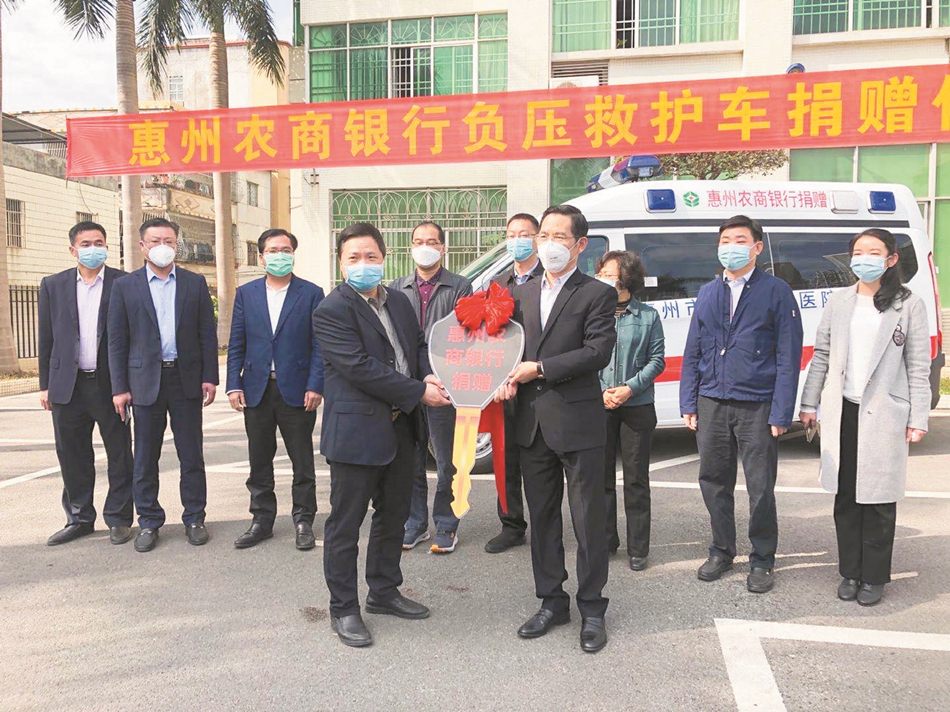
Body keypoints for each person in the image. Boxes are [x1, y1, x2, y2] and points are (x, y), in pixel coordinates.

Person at [313, 222, 451, 648]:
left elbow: (416, 346)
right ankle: (344, 608)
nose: (363, 264)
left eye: (371, 256)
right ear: (341, 264)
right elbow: (359, 368)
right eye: (353, 257)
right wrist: (418, 392)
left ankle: (384, 591)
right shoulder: (331, 310)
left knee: (393, 517)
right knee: (345, 525)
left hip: (401, 428)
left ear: (384, 258)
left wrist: (427, 373)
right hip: (356, 433)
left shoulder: (399, 301)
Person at [498, 204, 616, 654]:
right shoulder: (520, 293)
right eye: (543, 235)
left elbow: (597, 351)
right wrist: (501, 377)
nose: (548, 244)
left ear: (580, 244)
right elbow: (506, 349)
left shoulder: (596, 294)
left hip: (578, 423)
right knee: (543, 519)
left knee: (588, 520)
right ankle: (552, 601)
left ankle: (592, 608)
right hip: (531, 424)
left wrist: (541, 368)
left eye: (559, 237)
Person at [800, 228, 930, 606]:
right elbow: (822, 355)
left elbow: (918, 365)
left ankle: (874, 577)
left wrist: (918, 416)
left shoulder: (909, 304)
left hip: (885, 412)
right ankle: (850, 572)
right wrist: (809, 404)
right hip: (843, 409)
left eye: (874, 252)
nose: (864, 259)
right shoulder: (840, 301)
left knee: (878, 499)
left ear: (891, 259)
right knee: (846, 497)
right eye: (858, 252)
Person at [680, 215, 803, 594]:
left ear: (757, 247)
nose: (731, 247)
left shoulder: (776, 291)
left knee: (760, 486)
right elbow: (693, 349)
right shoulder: (708, 292)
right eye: (725, 241)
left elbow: (788, 354)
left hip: (756, 404)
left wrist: (781, 411)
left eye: (739, 240)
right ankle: (721, 550)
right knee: (713, 481)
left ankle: (762, 558)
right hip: (712, 400)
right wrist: (689, 402)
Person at [108, 218, 218, 553]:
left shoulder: (194, 283)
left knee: (191, 455)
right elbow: (117, 341)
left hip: (185, 379)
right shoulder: (125, 287)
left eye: (169, 241)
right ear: (142, 246)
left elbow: (206, 333)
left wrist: (210, 376)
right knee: (145, 457)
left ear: (176, 245)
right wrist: (119, 387)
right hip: (144, 382)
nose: (163, 247)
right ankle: (149, 521)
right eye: (155, 241)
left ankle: (195, 517)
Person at [226, 228, 325, 551]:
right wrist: (233, 384)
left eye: (285, 250)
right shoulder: (247, 293)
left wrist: (315, 385)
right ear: (261, 256)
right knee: (259, 459)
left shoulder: (311, 293)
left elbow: (319, 346)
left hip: (297, 390)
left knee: (302, 460)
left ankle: (303, 520)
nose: (279, 255)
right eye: (272, 250)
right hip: (256, 389)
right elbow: (237, 342)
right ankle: (261, 520)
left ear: (293, 255)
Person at [38, 221, 134, 546]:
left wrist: (126, 384)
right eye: (86, 244)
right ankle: (79, 518)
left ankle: (119, 519)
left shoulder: (124, 283)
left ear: (107, 246)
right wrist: (45, 385)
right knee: (72, 454)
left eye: (99, 243)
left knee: (119, 454)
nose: (94, 249)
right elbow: (46, 338)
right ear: (73, 250)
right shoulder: (53, 285)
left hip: (110, 385)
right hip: (68, 385)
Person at [391, 221, 472, 554]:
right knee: (410, 458)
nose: (424, 247)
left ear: (443, 248)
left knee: (446, 460)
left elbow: (467, 333)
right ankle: (415, 523)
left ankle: (447, 523)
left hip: (445, 383)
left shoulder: (460, 286)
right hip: (408, 384)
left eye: (432, 241)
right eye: (418, 241)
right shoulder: (396, 288)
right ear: (411, 247)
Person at [595, 251, 665, 571]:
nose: (603, 279)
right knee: (600, 477)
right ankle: (605, 540)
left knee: (636, 479)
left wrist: (629, 388)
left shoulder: (648, 316)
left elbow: (657, 360)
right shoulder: (594, 314)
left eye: (609, 274)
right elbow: (585, 354)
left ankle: (638, 547)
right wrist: (602, 391)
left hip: (636, 406)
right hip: (600, 405)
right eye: (601, 274)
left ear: (627, 279)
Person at [484, 213, 544, 555]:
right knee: (505, 459)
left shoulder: (549, 279)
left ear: (537, 238)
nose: (517, 240)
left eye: (524, 234)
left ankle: (545, 523)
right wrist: (497, 377)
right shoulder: (498, 283)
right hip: (504, 386)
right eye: (511, 234)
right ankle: (511, 525)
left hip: (539, 380)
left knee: (538, 460)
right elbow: (488, 335)